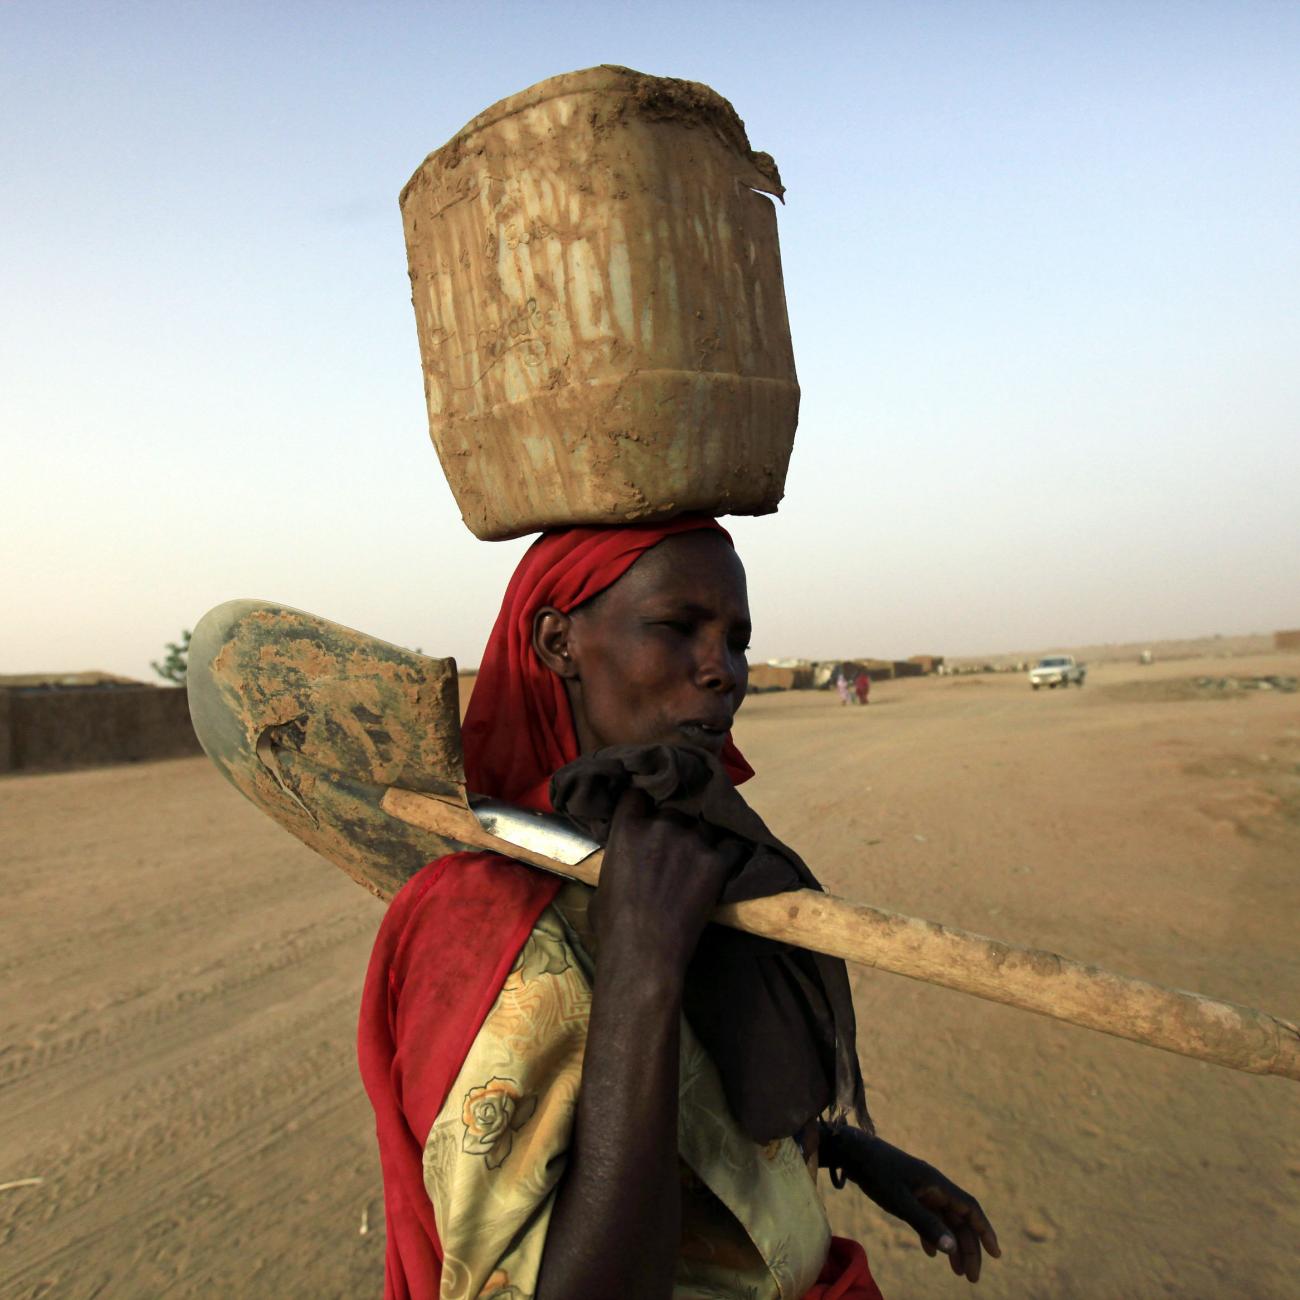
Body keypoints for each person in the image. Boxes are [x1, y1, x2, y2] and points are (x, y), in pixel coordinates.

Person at [359, 518, 999, 1299]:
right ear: (558, 642)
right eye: (677, 628)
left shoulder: (675, 853)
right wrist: (641, 970)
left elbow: (687, 1096)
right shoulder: (480, 921)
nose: (722, 670)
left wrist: (839, 1153)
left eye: (736, 640)